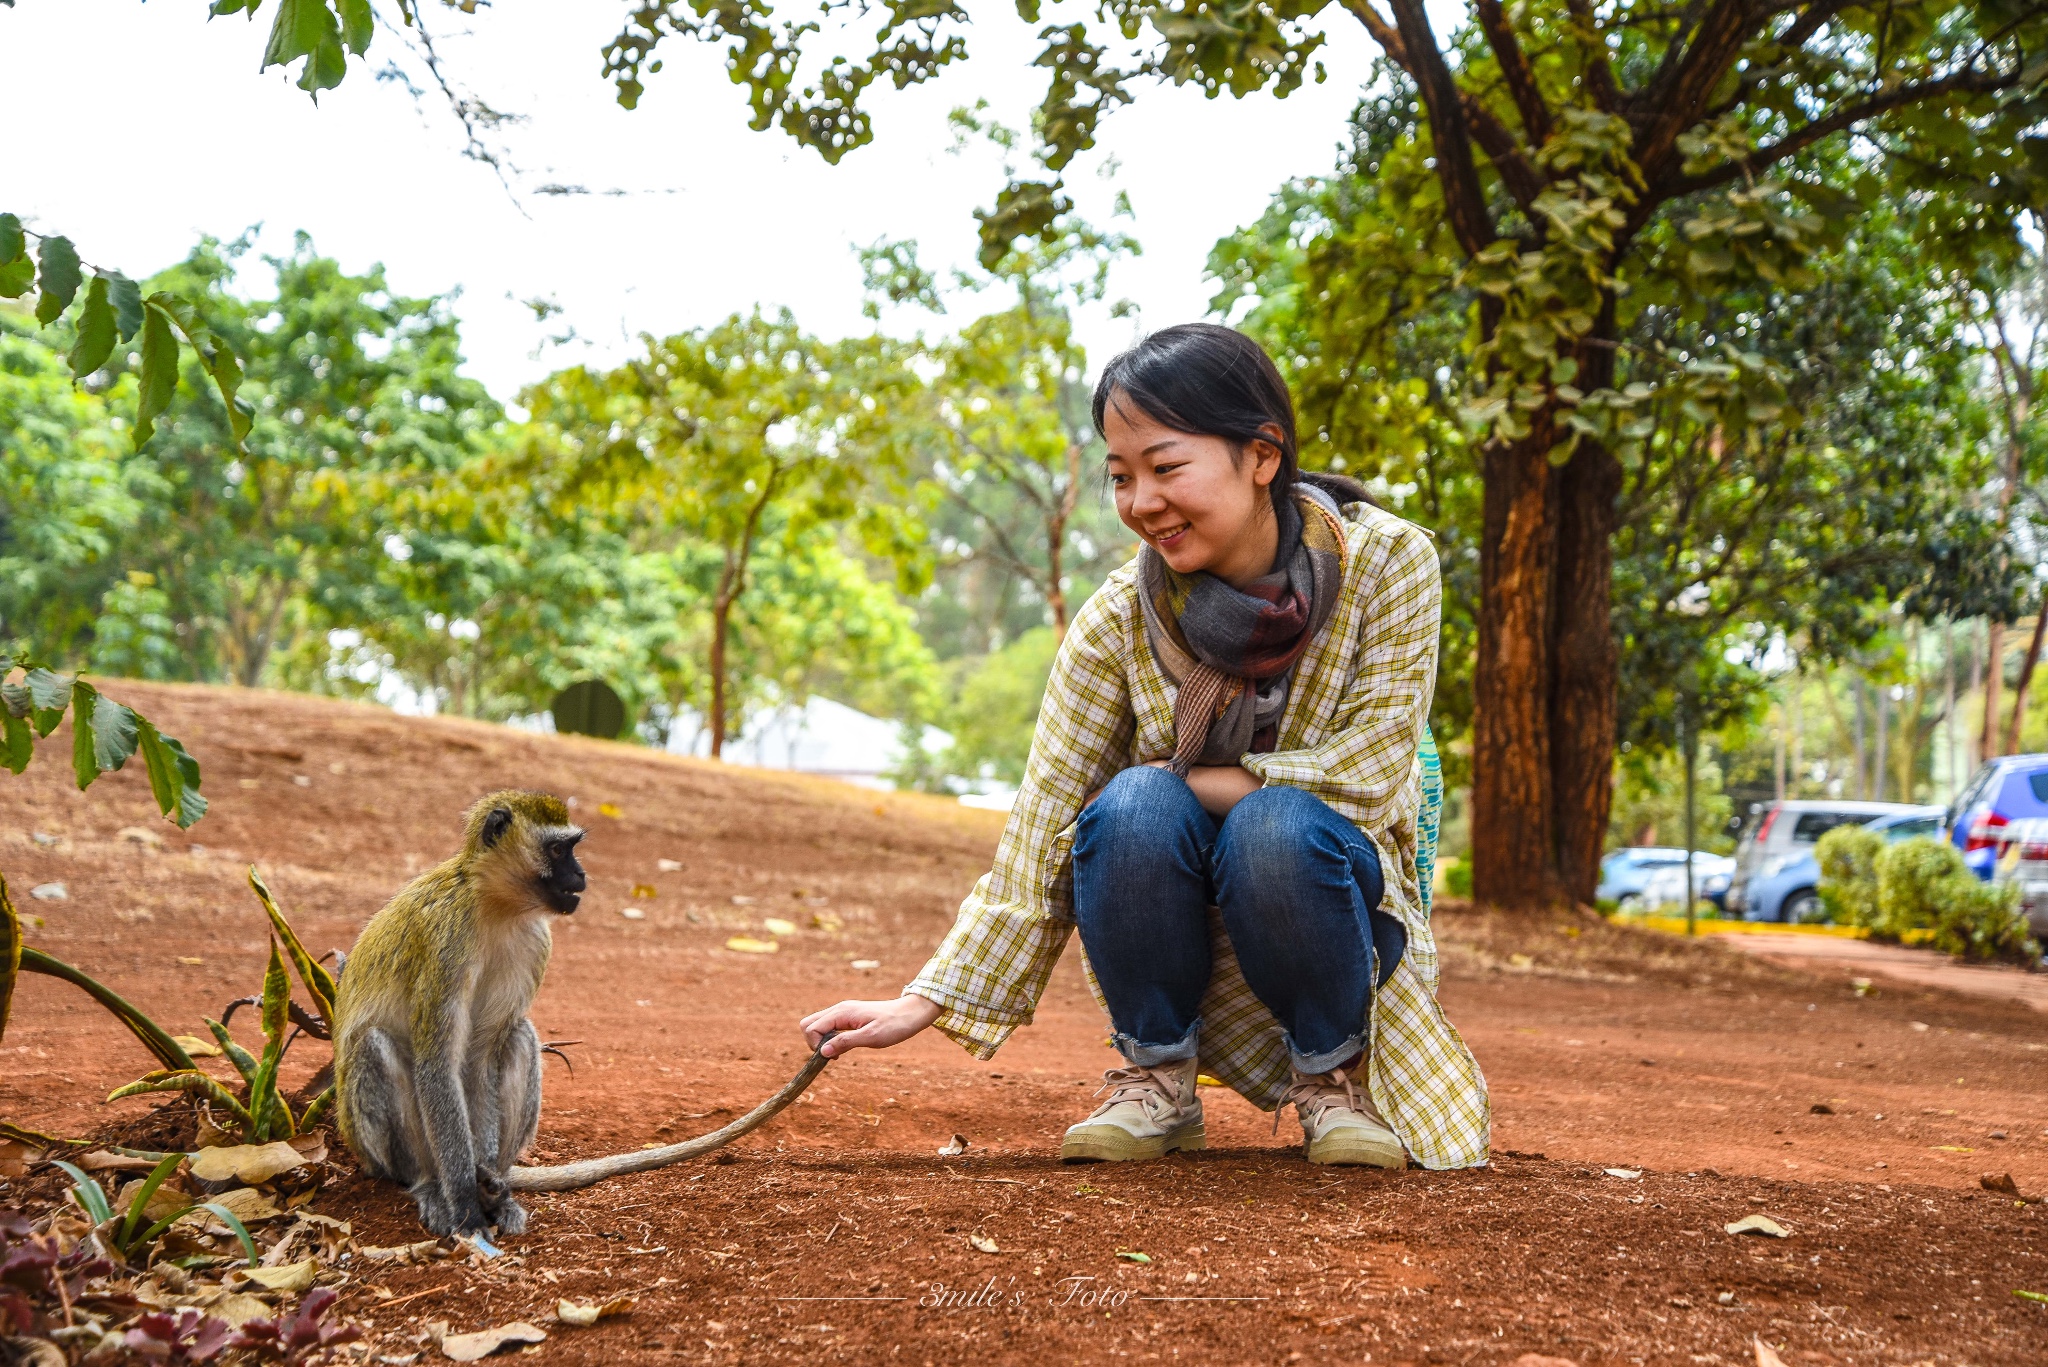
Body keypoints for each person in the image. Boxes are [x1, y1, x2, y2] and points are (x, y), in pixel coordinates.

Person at [800, 323, 1489, 1169]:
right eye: (1120, 477)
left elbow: (1373, 777)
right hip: (1179, 923)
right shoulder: (1119, 615)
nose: (1141, 501)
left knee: (1269, 824)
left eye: (1166, 467)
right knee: (1129, 805)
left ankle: (1336, 1081)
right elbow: (1045, 821)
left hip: (1330, 913)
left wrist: (1208, 783)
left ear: (1263, 454)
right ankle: (1157, 1077)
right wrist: (925, 998)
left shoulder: (1390, 563)